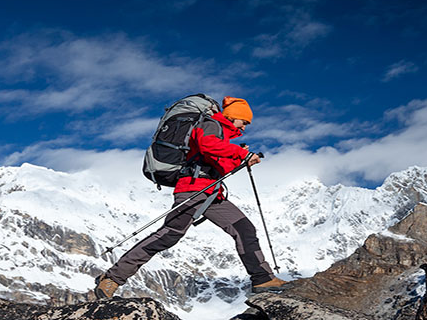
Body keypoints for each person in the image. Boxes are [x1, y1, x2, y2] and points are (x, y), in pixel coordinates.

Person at [93, 96, 289, 298]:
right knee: (168, 235)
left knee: (244, 229)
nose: (245, 127)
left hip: (211, 192)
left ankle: (263, 279)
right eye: (244, 122)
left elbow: (216, 165)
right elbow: (206, 144)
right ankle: (112, 278)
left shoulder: (222, 135)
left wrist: (240, 160)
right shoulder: (212, 124)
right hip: (192, 189)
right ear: (233, 116)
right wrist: (240, 153)